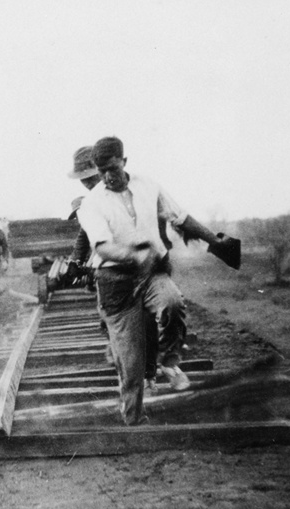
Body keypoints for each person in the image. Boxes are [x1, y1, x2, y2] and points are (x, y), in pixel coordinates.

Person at [77, 136, 235, 425]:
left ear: (124, 162)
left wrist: (214, 240)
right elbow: (101, 246)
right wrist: (132, 255)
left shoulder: (148, 185)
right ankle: (133, 419)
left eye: (113, 169)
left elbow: (181, 216)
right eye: (102, 172)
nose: (108, 177)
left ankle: (171, 363)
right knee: (131, 364)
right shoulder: (92, 203)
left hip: (151, 272)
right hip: (115, 281)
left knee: (173, 302)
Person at [67, 145, 163, 392]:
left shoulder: (133, 191)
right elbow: (83, 235)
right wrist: (76, 262)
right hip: (112, 272)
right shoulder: (94, 201)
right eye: (84, 181)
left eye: (90, 178)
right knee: (114, 320)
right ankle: (128, 371)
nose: (88, 185)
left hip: (139, 263)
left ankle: (149, 373)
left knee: (146, 317)